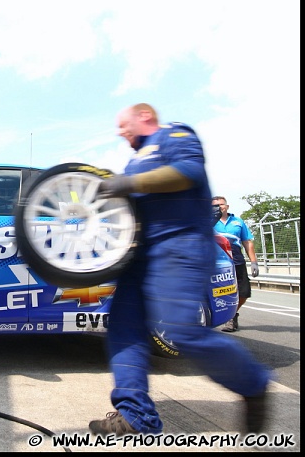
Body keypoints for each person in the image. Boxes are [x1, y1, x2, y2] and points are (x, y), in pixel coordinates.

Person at [90, 103, 271, 436]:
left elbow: (188, 173)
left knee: (182, 332)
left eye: (123, 124)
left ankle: (254, 383)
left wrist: (127, 184)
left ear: (144, 117)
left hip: (179, 245)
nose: (120, 131)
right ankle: (136, 417)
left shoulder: (173, 135)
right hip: (140, 254)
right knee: (123, 328)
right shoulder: (136, 159)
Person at [211, 196, 259, 332]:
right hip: (217, 260)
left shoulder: (238, 222)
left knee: (244, 292)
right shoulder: (208, 222)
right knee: (217, 291)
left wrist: (254, 262)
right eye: (215, 206)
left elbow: (247, 241)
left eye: (221, 204)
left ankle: (232, 315)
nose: (220, 207)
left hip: (236, 258)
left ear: (227, 206)